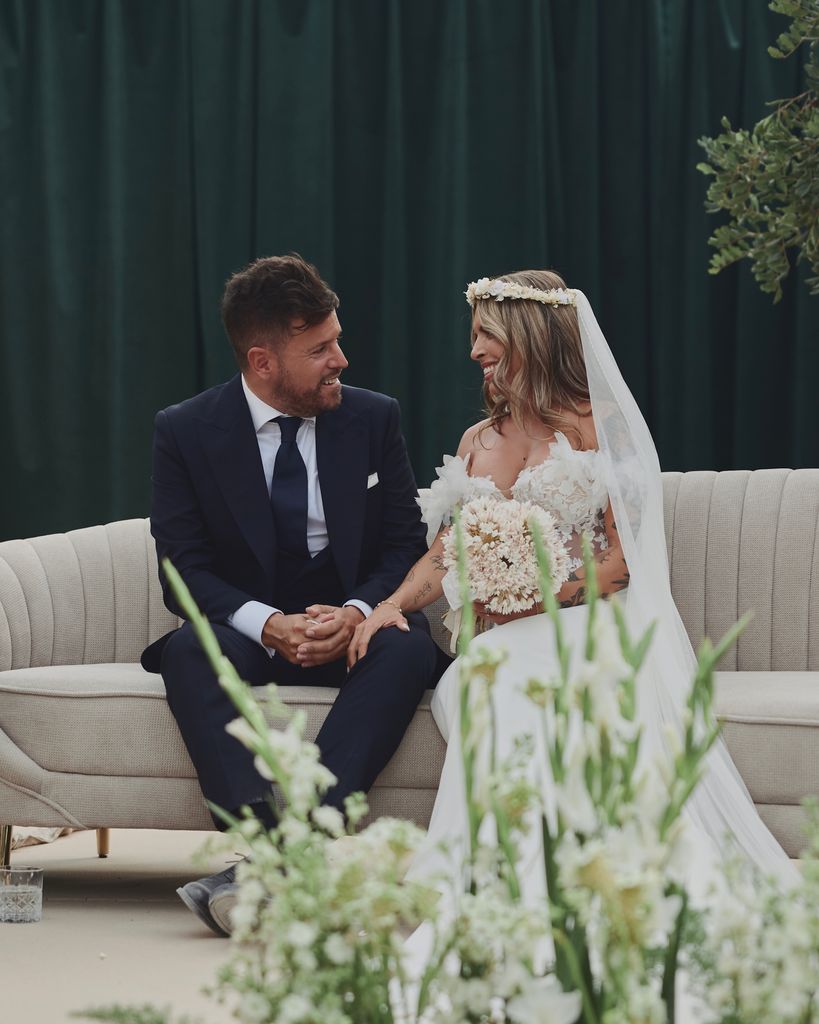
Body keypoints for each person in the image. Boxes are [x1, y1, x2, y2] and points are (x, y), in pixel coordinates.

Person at [349, 268, 797, 920]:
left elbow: (619, 566)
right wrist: (391, 605)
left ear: (527, 335)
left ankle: (553, 890)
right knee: (480, 680)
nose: (472, 350)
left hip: (589, 623)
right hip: (498, 638)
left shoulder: (597, 429)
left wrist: (520, 601)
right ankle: (504, 886)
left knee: (509, 683)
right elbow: (445, 550)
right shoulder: (476, 441)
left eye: (484, 334)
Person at [141, 254, 447, 935]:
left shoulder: (374, 419)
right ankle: (281, 853)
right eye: (320, 349)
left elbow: (404, 543)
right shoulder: (185, 431)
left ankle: (281, 861)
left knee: (405, 651)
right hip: (250, 631)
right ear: (262, 361)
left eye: (336, 340)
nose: (341, 359)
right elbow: (182, 570)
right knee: (191, 653)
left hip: (351, 627)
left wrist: (360, 610)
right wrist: (267, 623)